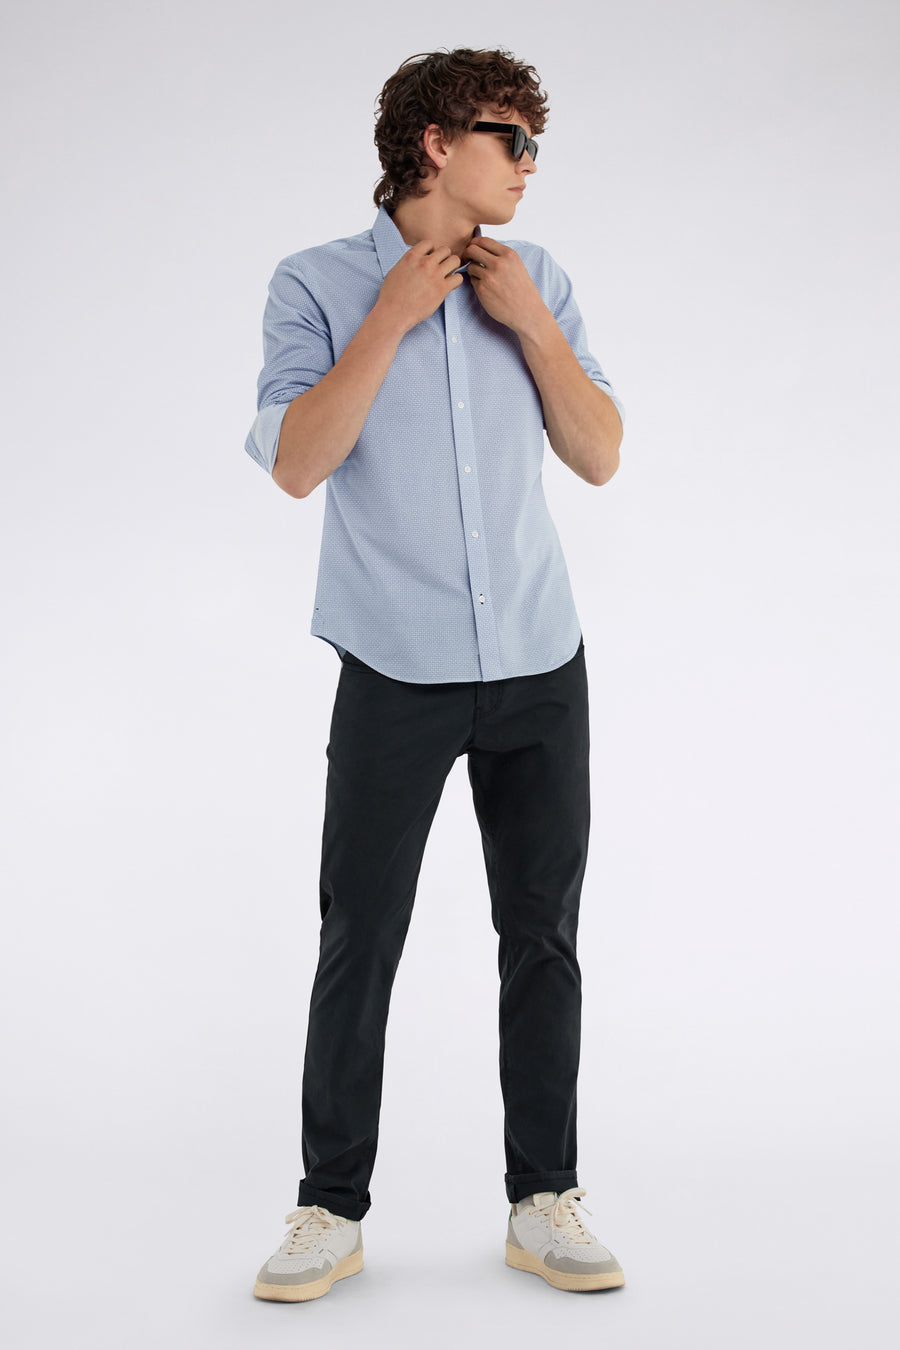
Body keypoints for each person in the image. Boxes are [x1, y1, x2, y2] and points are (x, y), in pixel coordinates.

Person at [244, 47, 626, 1301]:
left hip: (538, 659)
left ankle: (544, 1199)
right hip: (395, 664)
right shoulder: (314, 283)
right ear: (435, 142)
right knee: (361, 935)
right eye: (513, 139)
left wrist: (530, 328)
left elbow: (600, 454)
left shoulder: (540, 278)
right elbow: (297, 463)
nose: (529, 165)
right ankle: (329, 1209)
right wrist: (390, 321)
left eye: (534, 144)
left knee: (544, 937)